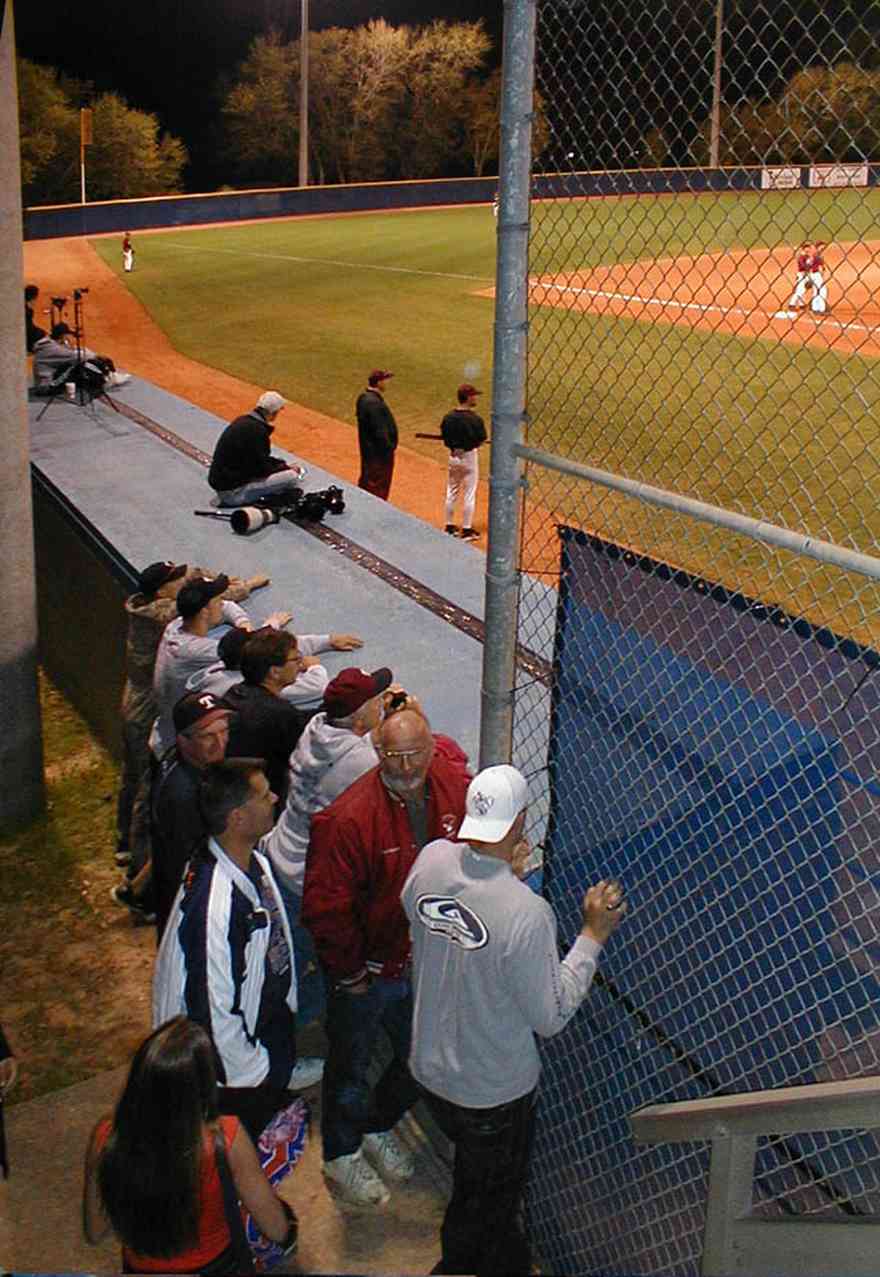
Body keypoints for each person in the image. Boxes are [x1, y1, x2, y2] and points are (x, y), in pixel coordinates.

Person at [402, 764, 626, 1277]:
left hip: (430, 1068)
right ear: (520, 822)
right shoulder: (526, 913)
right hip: (491, 1096)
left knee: (483, 1193)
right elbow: (551, 1014)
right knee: (484, 1205)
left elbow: (436, 915)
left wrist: (501, 881)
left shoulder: (431, 858)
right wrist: (592, 934)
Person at [303, 708, 470, 1206]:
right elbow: (327, 909)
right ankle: (341, 1151)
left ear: (431, 747)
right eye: (393, 755)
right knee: (351, 1061)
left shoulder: (448, 781)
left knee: (423, 1057)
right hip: (374, 969)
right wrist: (352, 975)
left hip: (426, 957)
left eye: (415, 752)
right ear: (376, 753)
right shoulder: (350, 820)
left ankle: (375, 1126)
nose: (404, 765)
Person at [153, 760, 324, 1143]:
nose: (275, 798)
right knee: (240, 1158)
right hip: (236, 1074)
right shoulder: (216, 908)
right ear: (238, 818)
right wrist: (257, 1072)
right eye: (264, 795)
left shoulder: (249, 859)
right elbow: (210, 1011)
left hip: (263, 1030)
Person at [83, 1017, 300, 1274]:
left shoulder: (106, 1136)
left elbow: (95, 1231)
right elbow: (274, 1225)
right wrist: (290, 1232)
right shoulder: (226, 1138)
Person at [260, 667, 395, 1027]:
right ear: (360, 715)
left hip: (279, 856)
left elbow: (360, 740)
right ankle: (287, 1042)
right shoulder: (360, 763)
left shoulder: (317, 727)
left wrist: (378, 718)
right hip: (307, 880)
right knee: (319, 968)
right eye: (375, 700)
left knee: (280, 960)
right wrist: (402, 718)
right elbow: (393, 760)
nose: (381, 701)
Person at [115, 560, 267, 878]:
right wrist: (249, 595)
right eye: (176, 579)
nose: (183, 580)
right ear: (162, 592)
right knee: (148, 799)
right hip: (153, 721)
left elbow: (211, 600)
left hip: (149, 712)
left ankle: (126, 848)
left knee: (135, 783)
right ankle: (136, 868)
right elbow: (238, 646)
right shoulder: (171, 625)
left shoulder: (170, 621)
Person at [152, 575, 290, 759]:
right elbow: (253, 649)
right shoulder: (193, 650)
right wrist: (273, 625)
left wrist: (243, 624)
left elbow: (228, 608)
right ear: (204, 612)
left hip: (166, 731)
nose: (222, 603)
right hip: (179, 748)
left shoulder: (176, 625)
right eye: (217, 600)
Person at [150, 691, 233, 939]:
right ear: (184, 740)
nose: (221, 743)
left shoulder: (180, 762)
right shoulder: (185, 795)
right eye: (208, 736)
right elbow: (191, 870)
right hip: (190, 910)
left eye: (224, 731)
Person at [187, 620, 363, 711]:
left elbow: (280, 647)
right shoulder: (257, 686)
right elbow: (316, 687)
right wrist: (314, 667)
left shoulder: (224, 665)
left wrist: (327, 640)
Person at [223, 629, 313, 803]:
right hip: (265, 798)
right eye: (295, 660)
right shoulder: (280, 714)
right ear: (275, 672)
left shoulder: (235, 692)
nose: (300, 664)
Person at [208, 392, 306, 507]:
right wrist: (286, 468)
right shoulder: (258, 431)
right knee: (292, 477)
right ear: (273, 412)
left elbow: (256, 459)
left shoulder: (242, 421)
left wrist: (280, 465)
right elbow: (262, 469)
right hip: (233, 494)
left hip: (223, 485)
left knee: (278, 466)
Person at [441, 383, 488, 540]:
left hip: (453, 457)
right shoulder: (475, 419)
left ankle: (448, 526)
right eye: (474, 395)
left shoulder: (448, 417)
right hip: (469, 458)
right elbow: (481, 440)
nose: (476, 398)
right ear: (468, 398)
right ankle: (467, 530)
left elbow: (445, 439)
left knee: (451, 491)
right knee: (469, 493)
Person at [31, 322, 131, 389]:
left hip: (46, 380)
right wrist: (96, 356)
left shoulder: (48, 343)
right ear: (62, 335)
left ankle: (108, 377)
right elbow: (77, 356)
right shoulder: (52, 349)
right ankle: (106, 380)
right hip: (47, 386)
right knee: (78, 364)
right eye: (66, 335)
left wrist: (68, 345)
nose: (68, 337)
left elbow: (71, 351)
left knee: (77, 360)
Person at [355, 369, 398, 500]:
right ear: (379, 382)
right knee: (377, 486)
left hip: (369, 451)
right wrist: (389, 447)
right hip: (378, 455)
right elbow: (380, 432)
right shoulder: (374, 403)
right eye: (385, 380)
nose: (387, 383)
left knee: (368, 479)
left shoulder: (364, 398)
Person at [788, 241, 812, 311]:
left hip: (806, 274)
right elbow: (802, 266)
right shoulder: (802, 257)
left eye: (809, 247)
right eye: (806, 247)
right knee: (800, 290)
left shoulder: (806, 256)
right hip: (801, 275)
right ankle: (791, 304)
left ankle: (802, 304)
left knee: (803, 290)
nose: (808, 249)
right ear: (803, 248)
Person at [25, 284, 46, 352]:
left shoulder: (27, 307)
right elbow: (29, 327)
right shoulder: (27, 310)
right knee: (41, 334)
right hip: (27, 335)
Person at [809, 241, 828, 315]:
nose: (823, 248)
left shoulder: (813, 255)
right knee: (823, 291)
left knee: (816, 291)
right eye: (822, 247)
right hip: (817, 275)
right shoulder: (817, 256)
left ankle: (815, 309)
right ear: (818, 247)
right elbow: (820, 268)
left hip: (813, 275)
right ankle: (821, 309)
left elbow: (808, 265)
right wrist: (821, 274)